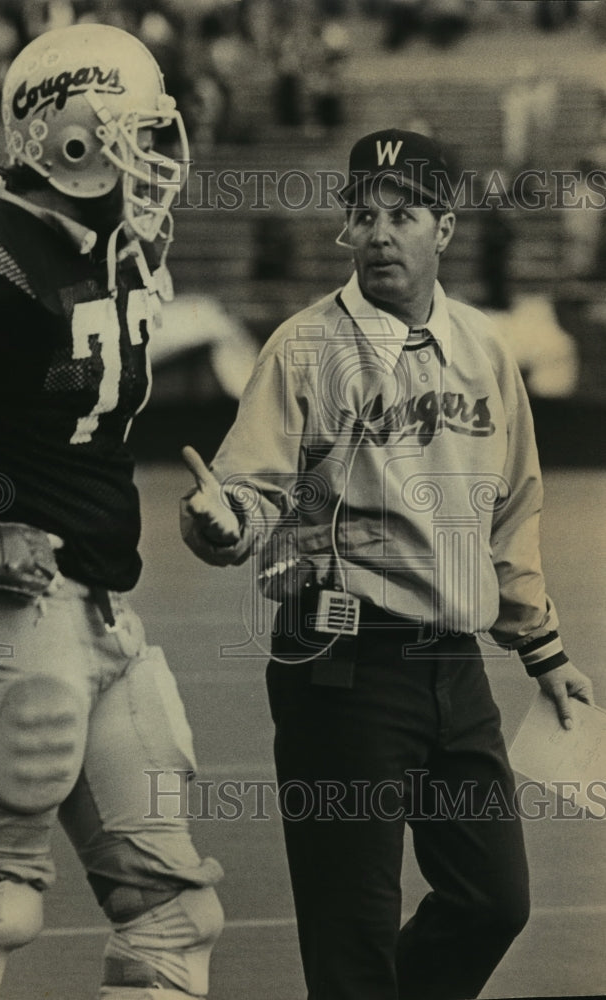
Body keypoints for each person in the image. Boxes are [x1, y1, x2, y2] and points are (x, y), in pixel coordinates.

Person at [180, 129, 594, 1000]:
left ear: (442, 227)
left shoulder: (482, 352)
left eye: (400, 214)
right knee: (351, 930)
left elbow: (511, 512)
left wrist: (543, 651)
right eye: (361, 214)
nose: (376, 233)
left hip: (453, 665)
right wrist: (225, 523)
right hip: (341, 660)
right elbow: (250, 489)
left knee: (492, 899)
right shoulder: (302, 346)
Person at [0, 23, 223, 1000]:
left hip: (111, 616)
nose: (153, 157)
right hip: (15, 615)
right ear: (69, 136)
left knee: (174, 921)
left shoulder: (119, 242)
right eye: (132, 133)